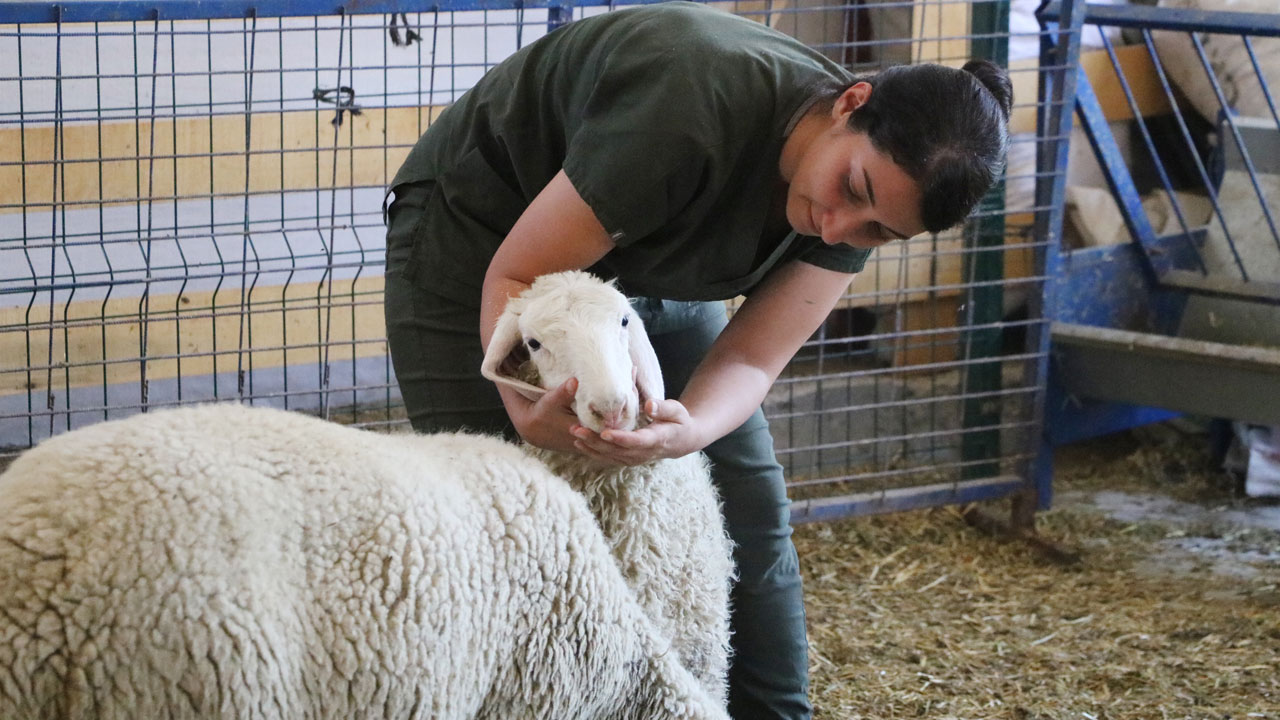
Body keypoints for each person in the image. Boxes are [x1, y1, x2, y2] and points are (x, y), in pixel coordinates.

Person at [382, 3, 1011, 718]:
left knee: (747, 511)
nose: (839, 228)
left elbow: (751, 362)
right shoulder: (690, 100)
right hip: (484, 234)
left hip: (643, 261)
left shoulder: (854, 205)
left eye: (879, 232)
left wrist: (690, 432)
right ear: (850, 103)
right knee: (509, 514)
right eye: (852, 190)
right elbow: (520, 273)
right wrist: (524, 410)